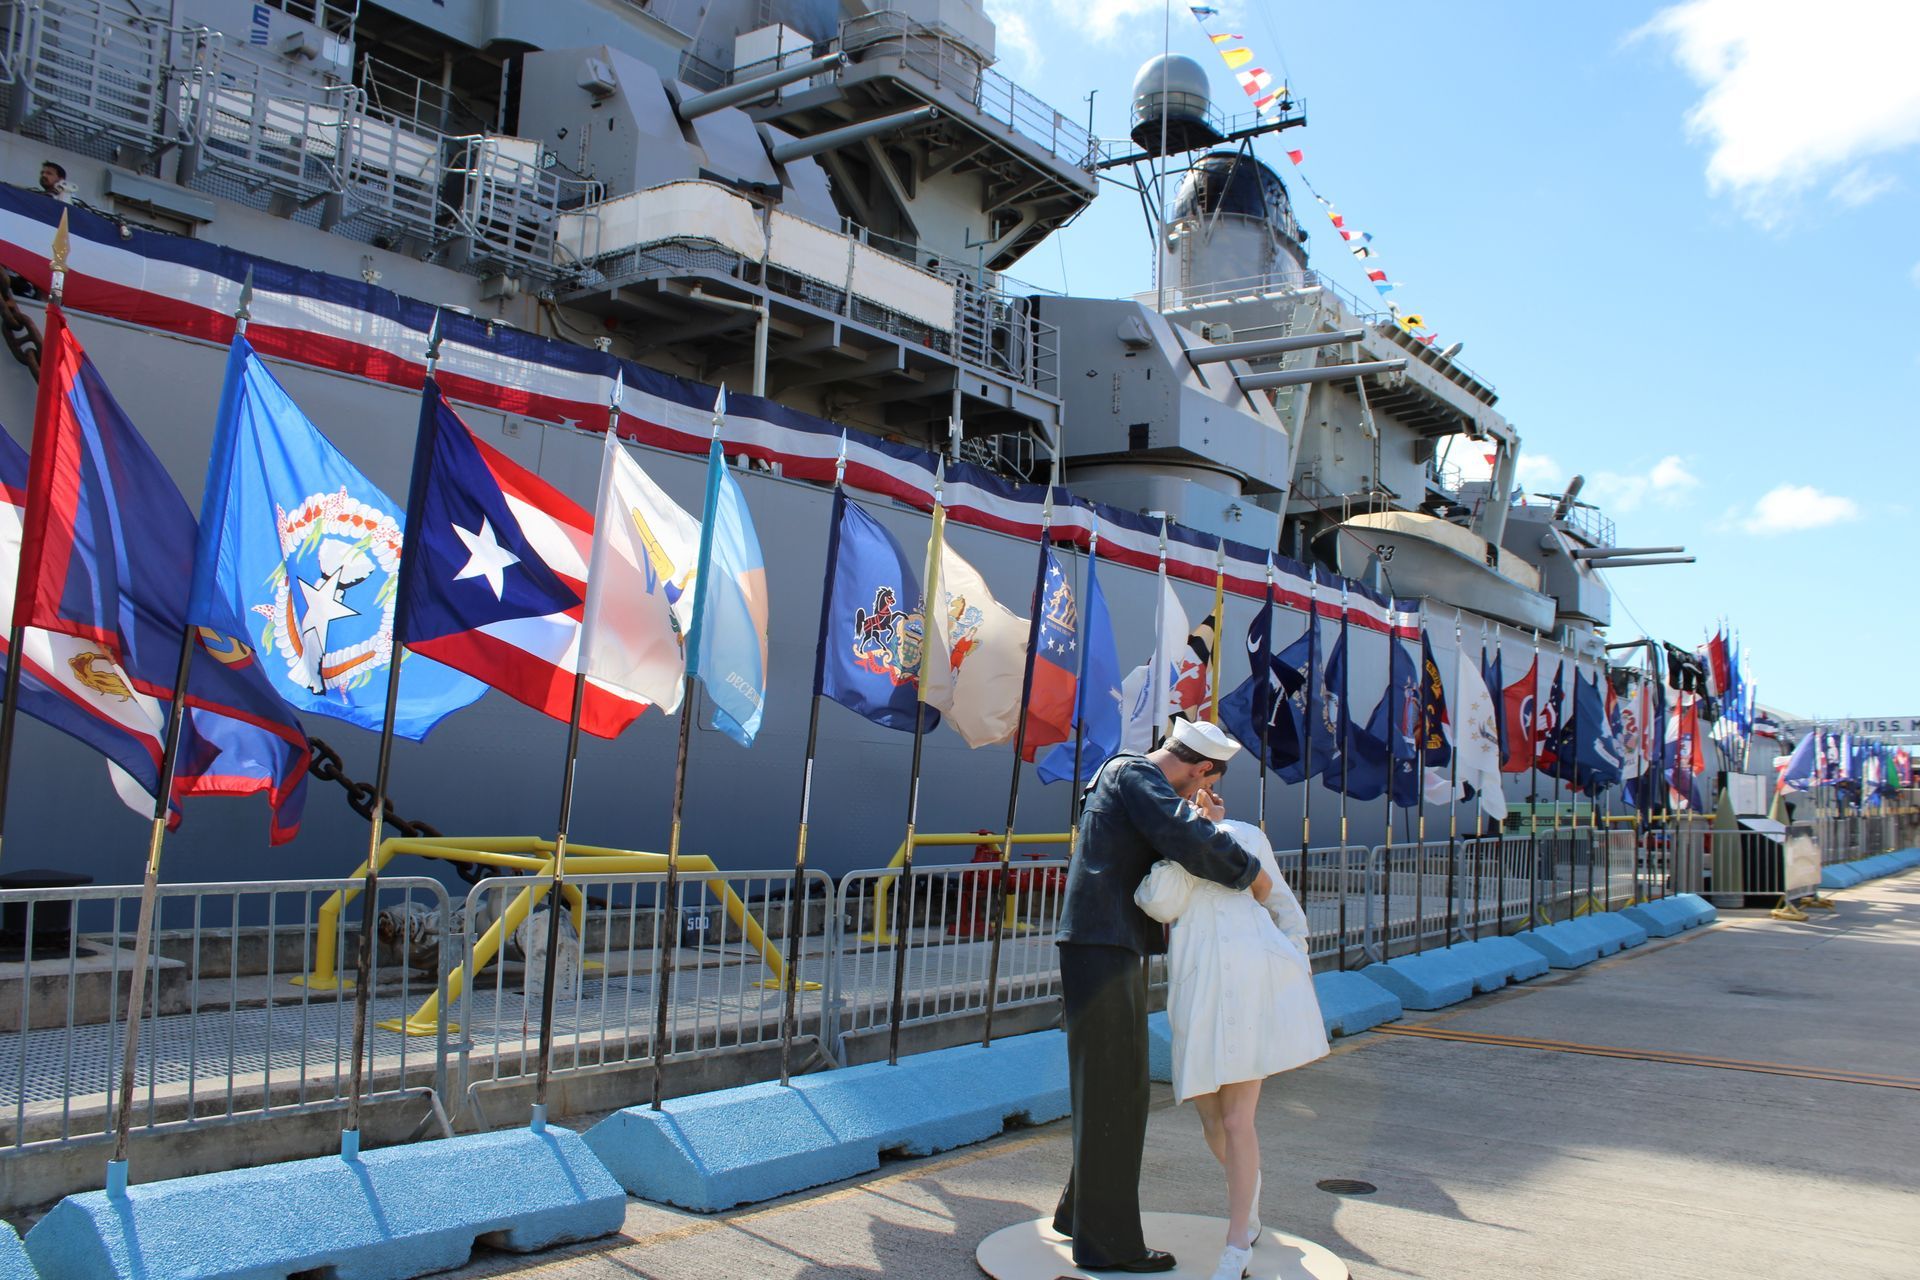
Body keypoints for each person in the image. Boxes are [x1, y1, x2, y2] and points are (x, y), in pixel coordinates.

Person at [1051, 718, 1273, 1273]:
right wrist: (1250, 872)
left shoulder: (1125, 775)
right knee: (1116, 1094)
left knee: (1114, 1088)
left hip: (1105, 941)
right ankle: (1107, 1245)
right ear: (1202, 769)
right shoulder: (1139, 776)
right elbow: (1184, 838)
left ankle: (1077, 1214)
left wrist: (1201, 822)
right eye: (1204, 782)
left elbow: (1166, 843)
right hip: (1104, 942)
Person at [1136, 820, 1329, 1280]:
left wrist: (1293, 955)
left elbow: (1277, 896)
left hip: (1250, 980)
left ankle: (1237, 1240)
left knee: (1236, 1119)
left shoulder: (1244, 834)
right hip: (1198, 986)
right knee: (1211, 1121)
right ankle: (1250, 1187)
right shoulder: (1168, 842)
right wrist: (1185, 841)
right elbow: (1160, 904)